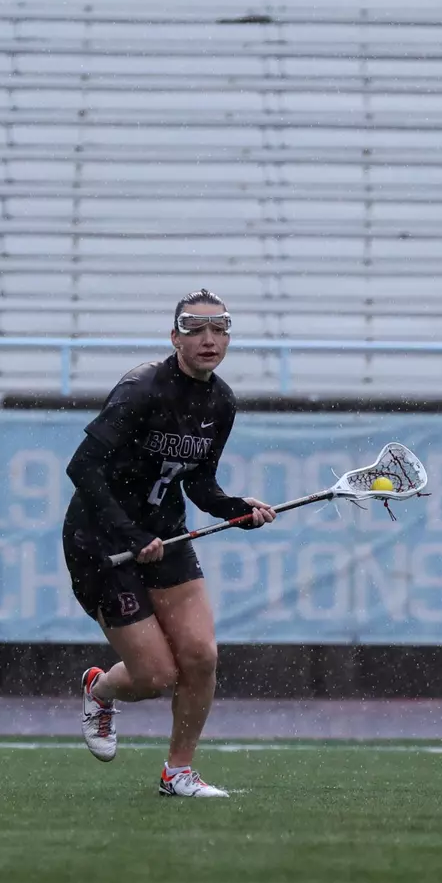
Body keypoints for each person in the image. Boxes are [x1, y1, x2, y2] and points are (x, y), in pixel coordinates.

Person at [62, 289, 276, 797]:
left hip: (168, 534)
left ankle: (178, 772)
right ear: (174, 337)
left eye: (219, 328)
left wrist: (235, 509)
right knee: (156, 676)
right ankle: (100, 689)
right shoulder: (141, 390)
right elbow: (82, 467)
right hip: (102, 540)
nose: (209, 339)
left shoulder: (221, 402)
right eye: (195, 329)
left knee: (200, 656)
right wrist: (131, 534)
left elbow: (198, 481)